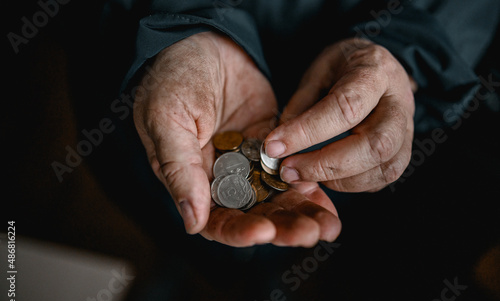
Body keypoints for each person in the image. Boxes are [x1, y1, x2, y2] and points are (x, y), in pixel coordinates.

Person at [100, 0, 499, 248]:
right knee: (173, 210)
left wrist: (403, 53)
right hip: (154, 82)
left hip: (353, 136)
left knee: (309, 223)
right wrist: (180, 27)